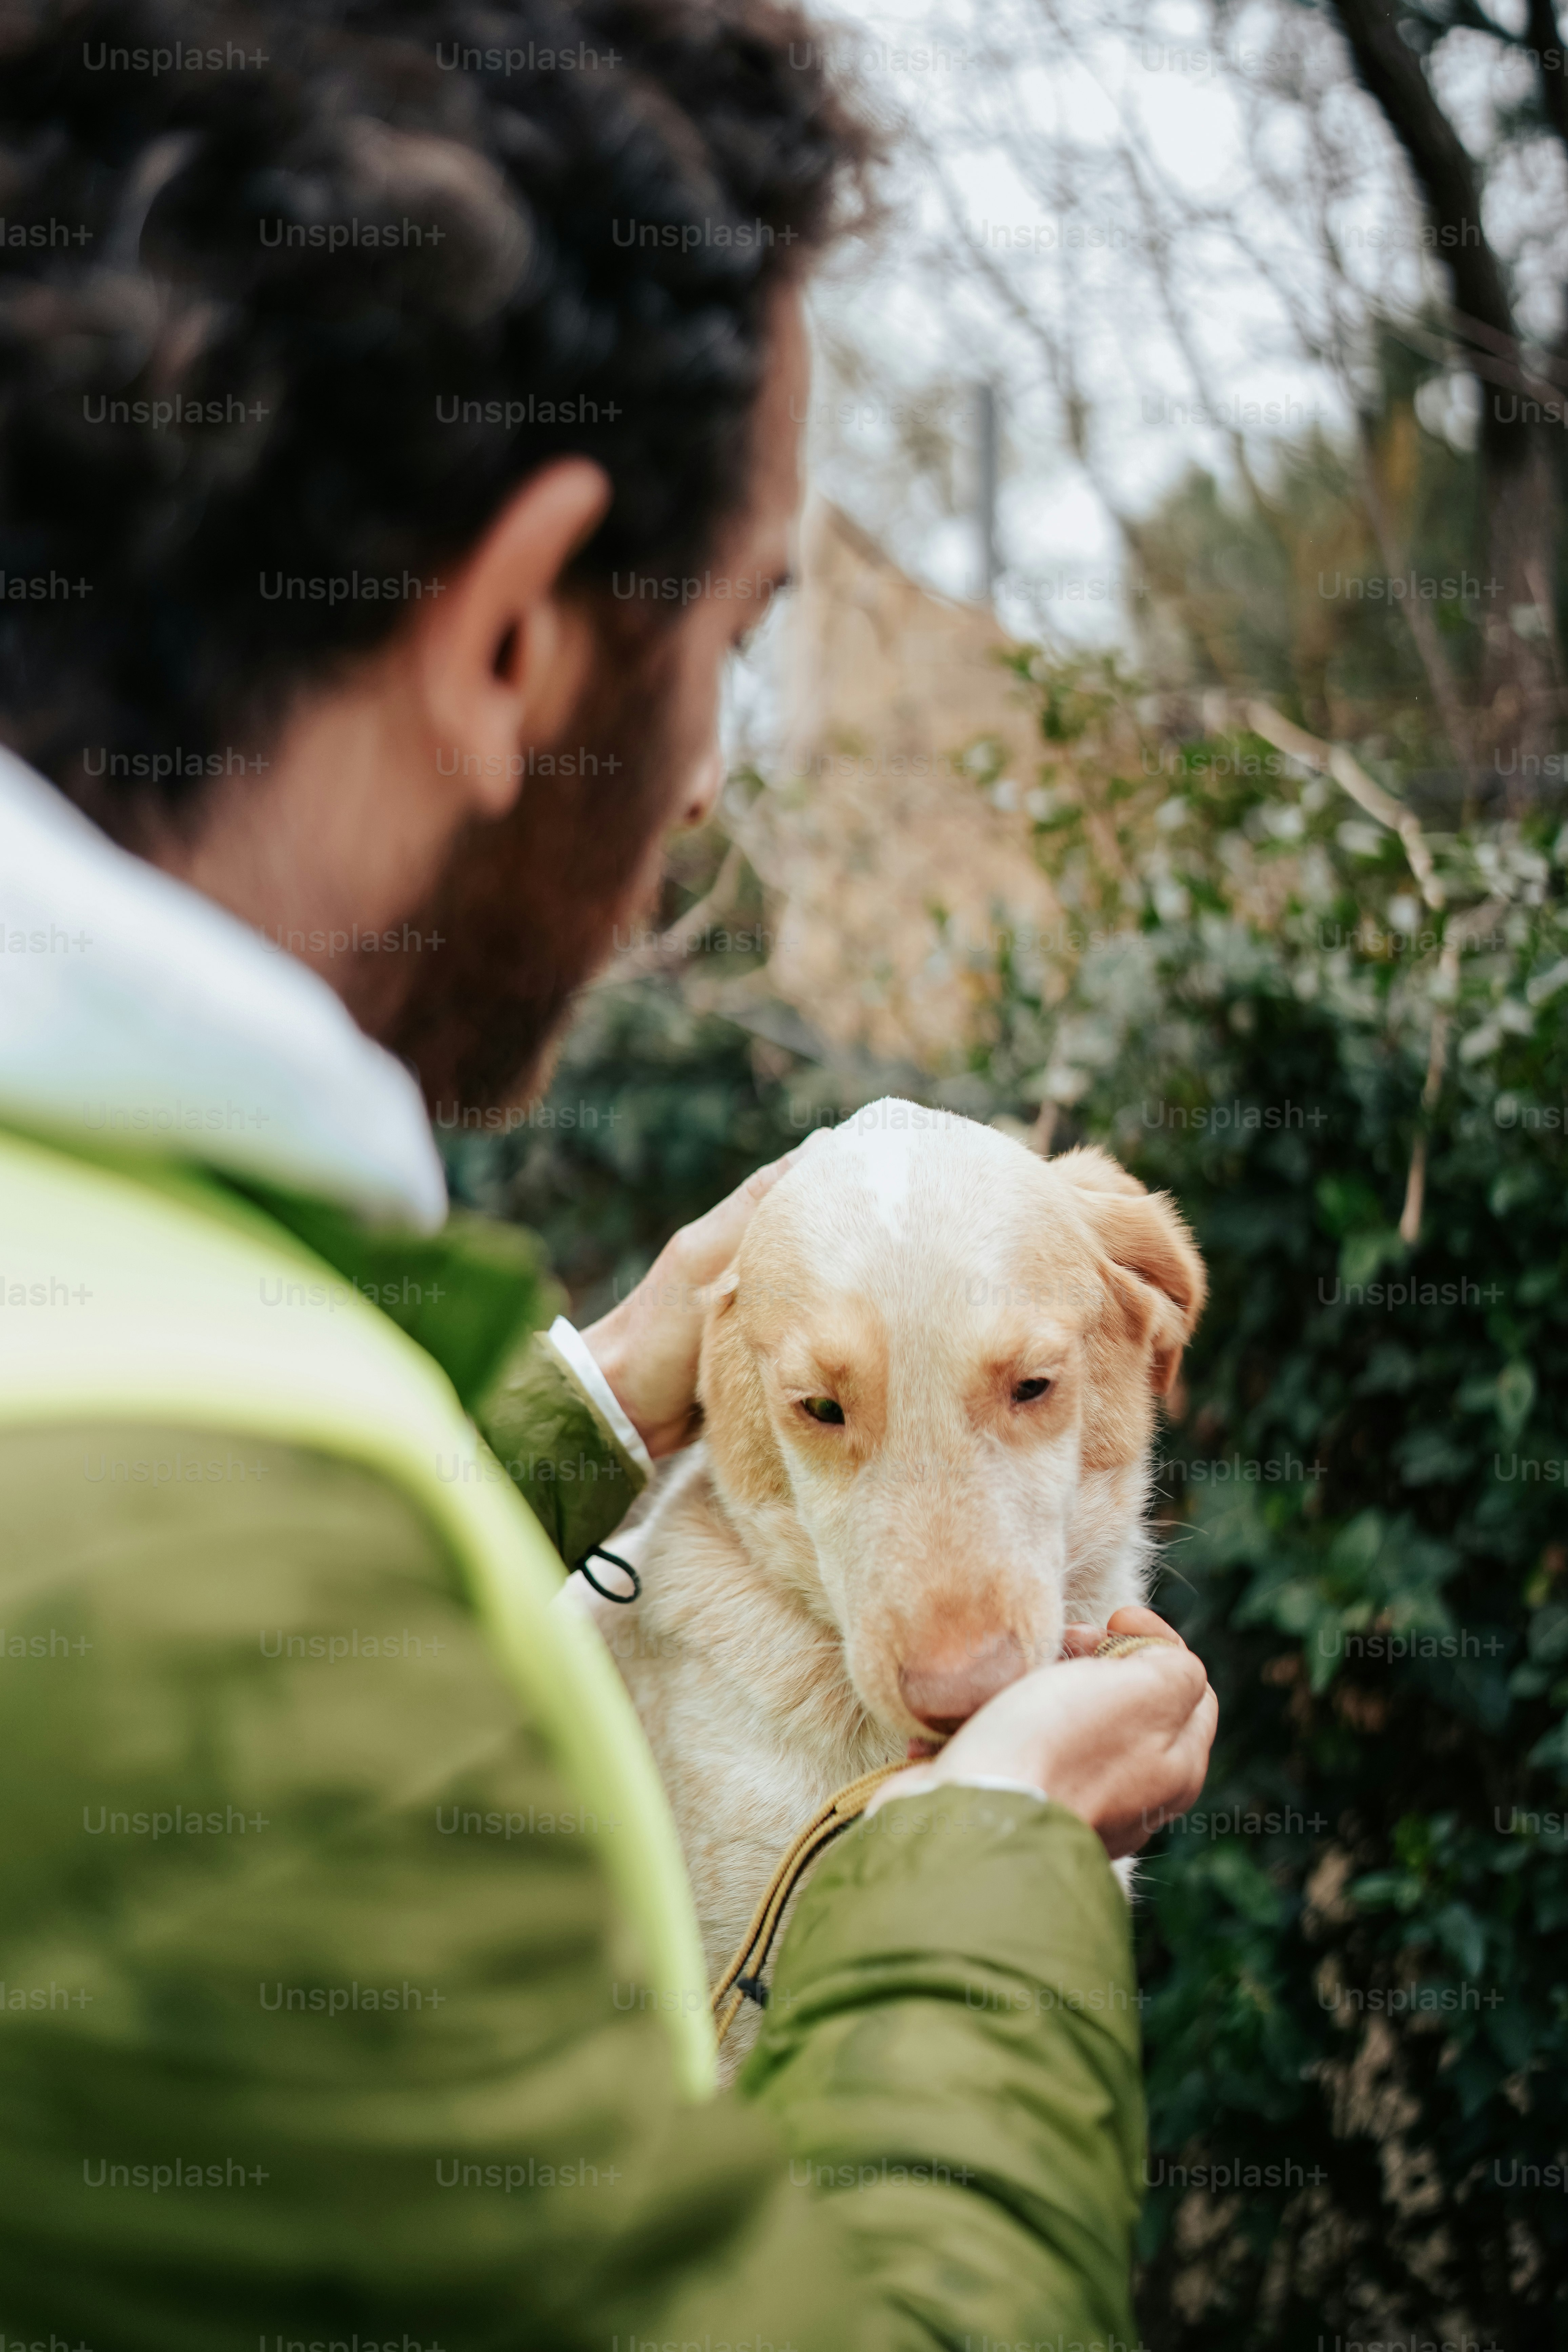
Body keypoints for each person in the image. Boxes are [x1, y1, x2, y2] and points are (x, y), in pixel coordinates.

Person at [0, 2, 1218, 2346]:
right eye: (733, 639)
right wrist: (984, 1863)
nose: (696, 795)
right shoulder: (186, 1636)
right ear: (513, 635)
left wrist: (587, 1409)